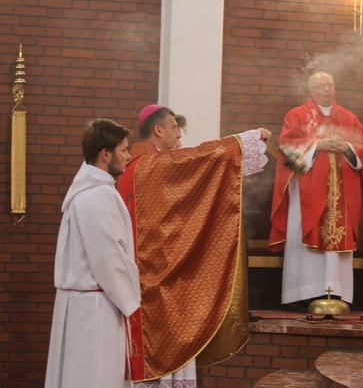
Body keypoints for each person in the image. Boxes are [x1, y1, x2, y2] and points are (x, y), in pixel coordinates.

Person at [117, 104, 271, 383]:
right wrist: (247, 140)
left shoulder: (129, 169)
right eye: (175, 128)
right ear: (158, 130)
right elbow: (202, 157)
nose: (179, 136)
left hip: (134, 285)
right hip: (160, 292)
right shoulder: (155, 165)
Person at [45, 119, 140, 388]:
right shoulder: (97, 196)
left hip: (85, 304)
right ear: (105, 154)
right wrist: (133, 300)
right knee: (94, 378)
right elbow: (108, 259)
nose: (129, 156)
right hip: (95, 310)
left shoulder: (91, 191)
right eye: (124, 149)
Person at [269, 72, 363, 306]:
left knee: (337, 240)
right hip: (308, 192)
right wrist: (317, 145)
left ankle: (337, 293)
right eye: (321, 85)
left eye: (330, 84)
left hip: (341, 194)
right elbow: (286, 148)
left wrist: (347, 146)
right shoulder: (297, 115)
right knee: (308, 235)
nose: (327, 89)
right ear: (311, 90)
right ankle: (303, 294)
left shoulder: (348, 117)